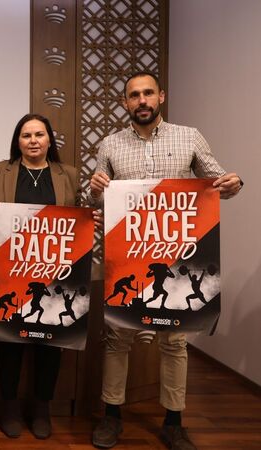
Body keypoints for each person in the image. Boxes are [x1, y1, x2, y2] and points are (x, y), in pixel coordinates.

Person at [89, 71, 243, 450]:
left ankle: (174, 422)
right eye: (133, 95)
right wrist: (94, 192)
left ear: (161, 96)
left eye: (148, 93)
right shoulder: (110, 145)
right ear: (125, 102)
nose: (141, 100)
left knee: (174, 341)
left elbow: (217, 184)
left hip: (175, 260)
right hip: (128, 258)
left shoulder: (189, 137)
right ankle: (112, 416)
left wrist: (233, 184)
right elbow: (98, 202)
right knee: (117, 338)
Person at [0, 113, 82, 440]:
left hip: (53, 273)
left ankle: (41, 407)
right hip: (9, 270)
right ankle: (9, 406)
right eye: (26, 135)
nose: (33, 141)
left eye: (39, 135)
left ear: (50, 140)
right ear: (17, 141)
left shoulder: (69, 174)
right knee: (10, 342)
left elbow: (75, 223)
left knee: (50, 344)